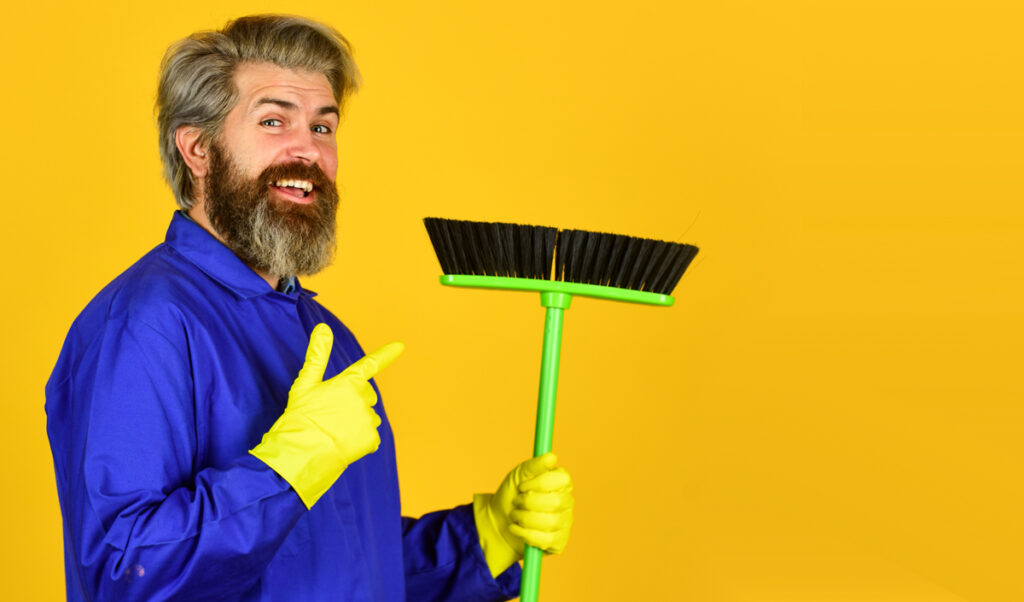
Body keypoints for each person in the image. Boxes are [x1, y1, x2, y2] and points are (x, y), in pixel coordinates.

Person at [45, 14, 574, 601]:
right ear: (197, 148)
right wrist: (284, 472)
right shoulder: (146, 325)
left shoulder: (324, 334)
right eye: (273, 121)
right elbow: (125, 576)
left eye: (324, 128)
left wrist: (485, 536)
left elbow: (342, 566)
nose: (307, 150)